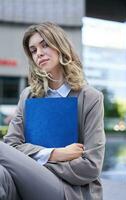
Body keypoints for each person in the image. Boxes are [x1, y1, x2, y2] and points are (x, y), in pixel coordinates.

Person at [0, 22, 105, 200]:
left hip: (69, 191)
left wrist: (30, 161)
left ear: (60, 46)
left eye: (45, 44)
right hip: (26, 183)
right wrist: (56, 154)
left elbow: (91, 166)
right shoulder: (28, 96)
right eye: (33, 50)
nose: (39, 53)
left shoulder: (90, 97)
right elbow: (11, 145)